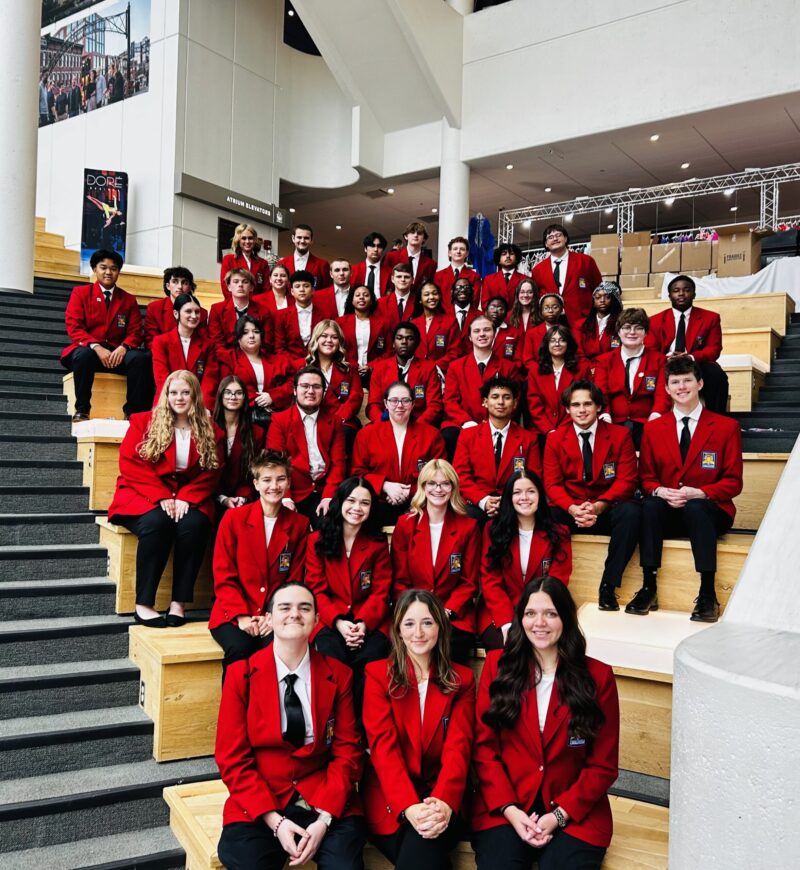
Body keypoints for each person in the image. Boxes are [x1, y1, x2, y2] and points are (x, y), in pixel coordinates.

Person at [215, 581, 365, 870]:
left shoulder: (340, 675)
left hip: (324, 798)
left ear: (317, 620)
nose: (294, 613)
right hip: (261, 800)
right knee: (247, 862)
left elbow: (347, 753)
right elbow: (232, 758)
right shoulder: (240, 675)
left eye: (304, 608)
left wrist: (324, 820)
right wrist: (276, 822)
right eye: (285, 607)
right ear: (269, 619)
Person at [471, 577, 620, 870]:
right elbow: (484, 750)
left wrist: (559, 816)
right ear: (520, 619)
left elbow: (603, 765)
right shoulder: (496, 666)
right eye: (530, 613)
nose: (539, 623)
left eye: (551, 613)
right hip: (507, 805)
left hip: (575, 811)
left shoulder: (598, 677)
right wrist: (511, 810)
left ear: (565, 618)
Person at [362, 590, 475, 869]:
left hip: (442, 799)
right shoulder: (378, 676)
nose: (419, 632)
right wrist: (410, 806)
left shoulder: (462, 680)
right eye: (409, 624)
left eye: (427, 622)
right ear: (398, 630)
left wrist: (443, 802)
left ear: (440, 626)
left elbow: (458, 748)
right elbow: (383, 750)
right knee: (424, 854)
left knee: (422, 851)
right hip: (391, 800)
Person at [108, 371, 223, 627]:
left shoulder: (210, 429)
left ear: (194, 394)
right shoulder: (144, 421)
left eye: (185, 392)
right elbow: (130, 463)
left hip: (189, 494)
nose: (179, 398)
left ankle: (179, 604)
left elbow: (213, 471)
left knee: (194, 525)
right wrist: (162, 496)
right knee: (157, 524)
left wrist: (186, 497)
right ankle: (144, 603)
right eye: (173, 392)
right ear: (165, 395)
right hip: (143, 492)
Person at [634, 356, 743, 622]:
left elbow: (734, 482)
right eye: (675, 382)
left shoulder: (727, 427)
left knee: (696, 507)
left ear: (700, 383)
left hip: (710, 511)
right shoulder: (653, 429)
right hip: (669, 511)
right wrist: (660, 491)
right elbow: (646, 479)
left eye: (687, 380)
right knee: (648, 504)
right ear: (667, 389)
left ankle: (707, 593)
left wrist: (702, 492)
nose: (681, 387)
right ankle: (649, 587)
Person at [543, 380, 641, 612]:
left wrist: (598, 506)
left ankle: (608, 585)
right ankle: (552, 586)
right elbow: (552, 484)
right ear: (567, 409)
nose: (582, 409)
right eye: (575, 405)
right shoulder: (555, 438)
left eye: (588, 403)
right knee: (545, 513)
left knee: (632, 511)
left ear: (599, 406)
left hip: (606, 508)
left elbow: (627, 480)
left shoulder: (620, 435)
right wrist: (572, 508)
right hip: (572, 511)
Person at [209, 451, 309, 676]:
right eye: (267, 479)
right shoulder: (233, 519)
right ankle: (234, 711)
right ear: (255, 483)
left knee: (277, 650)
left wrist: (273, 617)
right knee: (240, 649)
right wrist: (242, 616)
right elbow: (223, 574)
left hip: (275, 615)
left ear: (289, 482)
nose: (274, 486)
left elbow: (294, 580)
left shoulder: (299, 524)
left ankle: (267, 711)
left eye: (280, 479)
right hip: (233, 612)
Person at [305, 477, 392, 717]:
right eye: (351, 500)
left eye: (364, 503)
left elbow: (381, 592)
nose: (357, 508)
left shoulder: (377, 544)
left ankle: (365, 733)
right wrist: (340, 623)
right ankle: (336, 729)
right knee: (333, 659)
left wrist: (362, 624)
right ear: (340, 502)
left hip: (369, 622)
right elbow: (316, 590)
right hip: (329, 619)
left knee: (372, 660)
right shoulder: (316, 542)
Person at [390, 460, 479, 664]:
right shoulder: (405, 525)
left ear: (453, 488)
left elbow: (469, 582)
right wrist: (418, 612)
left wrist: (444, 613)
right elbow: (400, 580)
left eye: (445, 483)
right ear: (422, 487)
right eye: (432, 483)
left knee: (452, 644)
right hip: (413, 611)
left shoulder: (468, 527)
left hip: (453, 615)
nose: (438, 489)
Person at [479, 473, 571, 650]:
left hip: (542, 610)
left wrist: (533, 617)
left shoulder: (560, 533)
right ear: (509, 498)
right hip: (498, 610)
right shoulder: (493, 530)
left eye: (531, 491)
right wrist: (506, 623)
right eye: (517, 492)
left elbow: (557, 582)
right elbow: (491, 581)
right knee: (508, 647)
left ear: (540, 496)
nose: (524, 498)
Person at [61, 248, 153, 422]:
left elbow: (135, 331)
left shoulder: (128, 299)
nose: (108, 272)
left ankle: (133, 413)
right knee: (83, 355)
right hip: (90, 352)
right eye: (103, 267)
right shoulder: (80, 293)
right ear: (95, 269)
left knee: (141, 358)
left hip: (116, 354)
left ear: (118, 272)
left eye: (114, 268)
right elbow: (74, 326)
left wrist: (124, 347)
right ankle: (82, 410)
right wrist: (95, 346)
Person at [352, 381, 446, 526]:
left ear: (413, 404)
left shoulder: (432, 435)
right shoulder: (366, 434)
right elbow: (357, 473)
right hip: (379, 500)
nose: (400, 405)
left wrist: (410, 491)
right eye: (394, 400)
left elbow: (441, 474)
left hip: (421, 501)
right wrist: (385, 485)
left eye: (405, 400)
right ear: (385, 403)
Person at [265, 366, 347, 527]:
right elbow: (276, 463)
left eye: (316, 387)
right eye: (305, 386)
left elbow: (338, 463)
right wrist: (285, 497)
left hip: (322, 491)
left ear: (323, 392)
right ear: (295, 390)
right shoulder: (280, 420)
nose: (310, 391)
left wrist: (328, 496)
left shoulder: (334, 421)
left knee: (330, 527)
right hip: (293, 491)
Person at [453, 376, 541, 524]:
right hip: (477, 503)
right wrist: (484, 500)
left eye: (506, 397)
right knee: (467, 519)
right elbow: (460, 475)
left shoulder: (529, 439)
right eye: (495, 397)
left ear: (514, 404)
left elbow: (533, 478)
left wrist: (508, 501)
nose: (500, 402)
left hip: (514, 503)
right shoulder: (468, 435)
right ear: (485, 402)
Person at [646, 274, 729, 414]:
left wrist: (690, 357)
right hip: (665, 362)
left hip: (696, 362)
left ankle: (716, 418)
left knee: (716, 374)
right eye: (676, 290)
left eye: (686, 290)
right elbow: (650, 349)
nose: (681, 294)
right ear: (669, 295)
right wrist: (666, 358)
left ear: (694, 294)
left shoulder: (711, 318)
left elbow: (714, 349)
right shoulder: (654, 321)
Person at [441, 315, 522, 458]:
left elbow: (514, 400)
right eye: (477, 331)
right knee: (449, 435)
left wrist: (491, 422)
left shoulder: (508, 367)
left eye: (487, 330)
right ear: (470, 337)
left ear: (494, 334)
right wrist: (467, 422)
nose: (482, 334)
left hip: (497, 422)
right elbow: (450, 401)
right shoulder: (456, 366)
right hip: (463, 423)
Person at [594, 307, 669, 451]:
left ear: (646, 332)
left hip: (647, 422)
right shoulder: (604, 361)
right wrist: (605, 415)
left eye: (638, 328)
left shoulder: (659, 360)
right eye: (627, 327)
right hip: (613, 422)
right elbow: (601, 392)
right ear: (619, 331)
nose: (632, 332)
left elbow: (663, 395)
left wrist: (655, 417)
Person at [301, 319, 364, 451]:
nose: (329, 340)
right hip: (312, 418)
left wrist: (339, 418)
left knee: (344, 435)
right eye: (324, 336)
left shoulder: (349, 367)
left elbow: (356, 396)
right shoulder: (303, 366)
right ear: (316, 339)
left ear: (339, 342)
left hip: (342, 420)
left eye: (334, 337)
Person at [527, 325, 592, 450]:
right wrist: (549, 430)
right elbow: (534, 405)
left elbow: (584, 401)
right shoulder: (535, 371)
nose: (557, 344)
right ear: (546, 344)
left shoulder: (582, 368)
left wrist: (562, 430)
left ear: (569, 343)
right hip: (543, 431)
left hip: (573, 428)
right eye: (552, 340)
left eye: (562, 340)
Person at [219, 315, 293, 423]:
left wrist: (273, 396)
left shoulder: (277, 360)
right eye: (245, 332)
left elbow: (294, 381)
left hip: (274, 417)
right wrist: (257, 400)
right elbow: (226, 387)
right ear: (238, 338)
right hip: (241, 416)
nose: (252, 336)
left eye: (256, 331)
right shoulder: (229, 358)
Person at [366, 322, 443, 426]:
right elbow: (373, 405)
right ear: (393, 343)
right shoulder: (380, 368)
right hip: (386, 423)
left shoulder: (428, 368)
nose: (404, 342)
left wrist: (417, 426)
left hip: (418, 423)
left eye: (409, 338)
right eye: (399, 338)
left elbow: (434, 405)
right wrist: (384, 425)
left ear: (417, 344)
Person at [151, 292, 218, 407]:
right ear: (176, 314)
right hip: (168, 402)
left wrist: (202, 406)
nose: (194, 316)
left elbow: (209, 380)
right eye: (188, 311)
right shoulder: (160, 342)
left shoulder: (208, 345)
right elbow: (162, 378)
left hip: (197, 404)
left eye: (197, 312)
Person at [212, 375, 267, 512]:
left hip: (242, 498)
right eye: (228, 392)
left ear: (245, 398)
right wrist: (222, 498)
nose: (233, 397)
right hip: (210, 495)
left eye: (238, 393)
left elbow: (252, 473)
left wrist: (242, 498)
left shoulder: (256, 432)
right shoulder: (207, 427)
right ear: (220, 395)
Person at [531, 223, 602, 325]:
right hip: (551, 323)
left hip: (581, 320)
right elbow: (536, 297)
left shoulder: (585, 261)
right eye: (550, 237)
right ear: (546, 244)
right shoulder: (537, 270)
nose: (555, 239)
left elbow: (598, 288)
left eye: (558, 235)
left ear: (565, 238)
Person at [273, 269, 338, 358]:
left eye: (306, 286)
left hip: (318, 364)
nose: (302, 289)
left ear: (312, 290)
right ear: (292, 291)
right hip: (290, 366)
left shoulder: (326, 316)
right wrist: (295, 365)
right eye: (297, 286)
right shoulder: (281, 316)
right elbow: (279, 348)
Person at [208, 268, 271, 353]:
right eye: (236, 281)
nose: (240, 285)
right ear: (229, 287)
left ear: (251, 287)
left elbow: (266, 344)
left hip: (255, 358)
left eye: (245, 282)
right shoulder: (217, 310)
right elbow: (217, 344)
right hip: (226, 358)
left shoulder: (264, 311)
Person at [144, 266, 206, 349]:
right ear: (168, 286)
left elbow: (202, 342)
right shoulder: (154, 308)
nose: (180, 286)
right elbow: (151, 340)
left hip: (189, 355)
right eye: (175, 282)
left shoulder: (202, 313)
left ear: (190, 287)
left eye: (184, 283)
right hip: (161, 353)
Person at [338, 284, 390, 382]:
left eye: (366, 295)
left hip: (376, 372)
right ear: (352, 300)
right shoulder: (340, 323)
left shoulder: (384, 323)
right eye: (357, 295)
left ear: (371, 300)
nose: (361, 297)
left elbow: (389, 351)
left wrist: (371, 366)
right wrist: (354, 365)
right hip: (347, 371)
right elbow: (338, 349)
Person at [411, 281, 462, 373]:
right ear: (420, 300)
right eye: (426, 294)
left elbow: (455, 351)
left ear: (439, 296)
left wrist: (433, 367)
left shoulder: (450, 321)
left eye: (435, 293)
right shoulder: (413, 324)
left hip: (441, 372)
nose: (431, 297)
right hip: (417, 373)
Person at [576, 281, 622, 366]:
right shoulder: (580, 325)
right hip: (586, 368)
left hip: (611, 367)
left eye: (607, 297)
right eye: (598, 297)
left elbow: (618, 352)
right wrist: (589, 367)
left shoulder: (621, 323)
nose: (602, 300)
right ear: (593, 301)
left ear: (614, 300)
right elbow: (578, 352)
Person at [383, 221, 437, 293]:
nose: (415, 235)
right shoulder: (391, 256)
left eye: (419, 233)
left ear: (424, 238)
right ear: (406, 236)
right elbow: (386, 283)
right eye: (412, 232)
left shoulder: (431, 264)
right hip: (396, 300)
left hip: (419, 302)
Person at [219, 224, 270, 297]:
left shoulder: (263, 263)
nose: (247, 241)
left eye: (250, 238)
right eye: (243, 238)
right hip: (235, 305)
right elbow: (225, 287)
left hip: (257, 306)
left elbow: (266, 289)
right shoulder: (228, 259)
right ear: (238, 240)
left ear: (255, 240)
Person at [277, 224, 332, 289]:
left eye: (306, 238)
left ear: (311, 240)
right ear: (293, 238)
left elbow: (327, 291)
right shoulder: (281, 264)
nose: (302, 241)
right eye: (299, 237)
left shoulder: (322, 265)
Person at [522, 292, 570, 365]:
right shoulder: (531, 333)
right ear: (541, 311)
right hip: (538, 372)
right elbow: (528, 360)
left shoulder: (568, 332)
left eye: (555, 307)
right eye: (546, 308)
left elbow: (571, 357)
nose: (550, 311)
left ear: (561, 310)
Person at [435, 236, 481, 309]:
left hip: (465, 316)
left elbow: (474, 300)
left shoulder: (474, 276)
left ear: (467, 253)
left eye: (462, 249)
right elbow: (436, 299)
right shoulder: (438, 276)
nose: (458, 251)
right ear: (449, 253)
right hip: (443, 317)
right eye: (455, 249)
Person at [480, 243, 524, 308]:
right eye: (504, 254)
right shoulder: (488, 280)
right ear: (499, 260)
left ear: (517, 259)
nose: (508, 256)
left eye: (511, 253)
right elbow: (485, 304)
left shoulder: (524, 279)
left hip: (517, 317)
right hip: (495, 317)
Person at [484, 295, 525, 364]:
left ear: (506, 314)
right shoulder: (478, 331)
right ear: (486, 312)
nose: (495, 311)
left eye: (500, 309)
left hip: (505, 372)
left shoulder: (516, 333)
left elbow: (518, 361)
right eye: (492, 307)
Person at [377, 262, 417, 332]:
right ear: (392, 279)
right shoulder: (380, 303)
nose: (402, 280)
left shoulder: (418, 302)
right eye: (399, 276)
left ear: (412, 280)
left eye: (406, 277)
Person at [351, 231, 389, 296]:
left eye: (379, 246)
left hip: (381, 304)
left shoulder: (390, 272)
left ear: (383, 250)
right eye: (372, 246)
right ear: (365, 249)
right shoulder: (354, 269)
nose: (376, 249)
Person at [451, 275, 480, 342]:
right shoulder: (444, 314)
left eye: (466, 287)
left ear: (472, 291)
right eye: (458, 287)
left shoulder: (480, 316)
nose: (463, 290)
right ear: (452, 292)